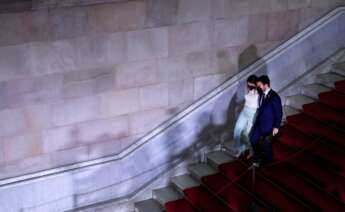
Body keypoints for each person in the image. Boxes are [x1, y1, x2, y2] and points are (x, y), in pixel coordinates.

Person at [250, 75, 283, 167]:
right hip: (260, 124)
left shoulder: (274, 97)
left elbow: (279, 113)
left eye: (260, 85)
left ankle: (268, 161)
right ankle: (257, 157)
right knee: (252, 140)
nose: (258, 87)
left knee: (265, 144)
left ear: (266, 85)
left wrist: (276, 126)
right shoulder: (261, 93)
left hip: (269, 126)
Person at [232, 75, 259, 157]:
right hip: (244, 111)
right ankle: (239, 149)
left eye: (251, 86)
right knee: (237, 130)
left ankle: (252, 151)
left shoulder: (260, 93)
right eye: (248, 85)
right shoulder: (247, 89)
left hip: (253, 113)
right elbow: (246, 99)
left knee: (248, 134)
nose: (248, 87)